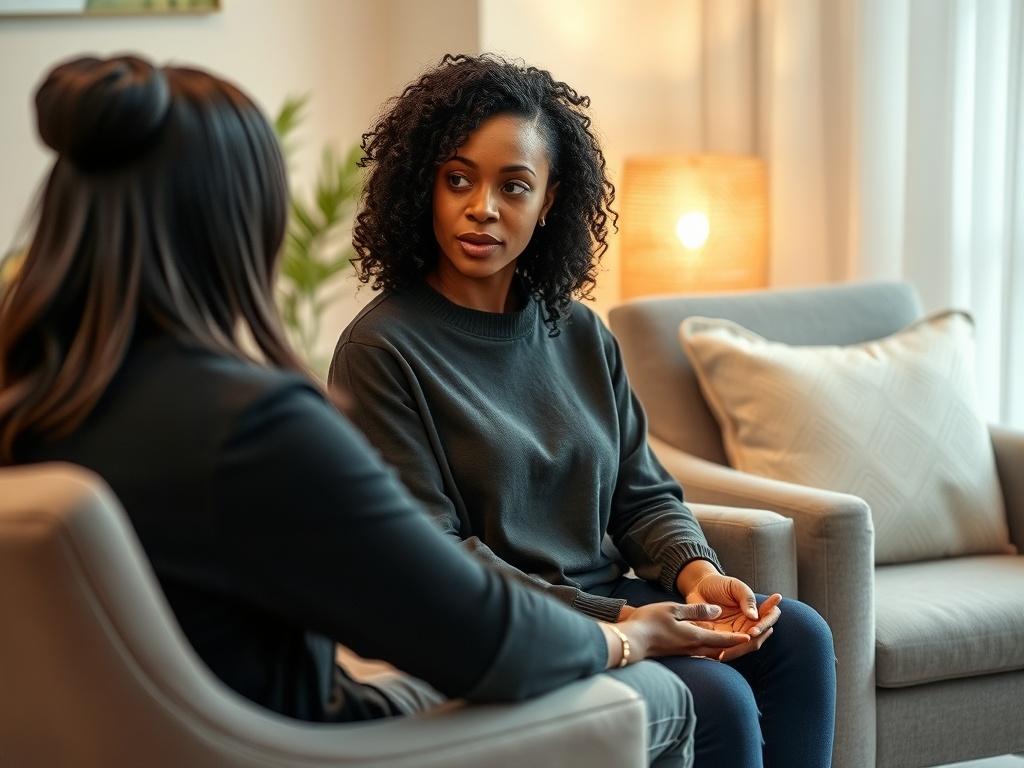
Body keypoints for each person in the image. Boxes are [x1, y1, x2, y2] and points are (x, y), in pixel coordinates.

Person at [0, 53, 760, 768]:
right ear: (235, 228)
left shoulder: (33, 406)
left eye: (514, 185)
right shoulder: (253, 427)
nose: (483, 210)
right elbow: (474, 634)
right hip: (306, 744)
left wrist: (678, 576)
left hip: (169, 738)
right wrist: (624, 639)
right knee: (678, 698)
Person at [331, 53, 837, 768]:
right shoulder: (381, 352)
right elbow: (435, 558)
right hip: (514, 629)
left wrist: (696, 575)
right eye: (458, 180)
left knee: (800, 637)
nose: (483, 207)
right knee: (716, 699)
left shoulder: (576, 331)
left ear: (549, 201)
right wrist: (626, 620)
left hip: (617, 603)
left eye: (514, 186)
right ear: (425, 188)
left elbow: (643, 494)